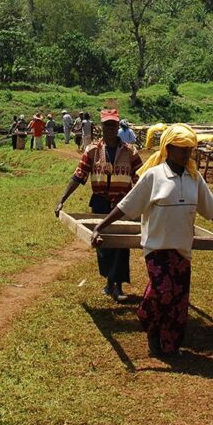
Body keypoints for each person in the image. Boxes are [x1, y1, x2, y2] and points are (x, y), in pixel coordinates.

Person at [89, 124, 213, 357]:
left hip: (182, 249)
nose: (186, 153)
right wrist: (100, 226)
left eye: (189, 149)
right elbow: (127, 205)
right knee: (163, 292)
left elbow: (211, 209)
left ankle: (169, 346)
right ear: (168, 148)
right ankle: (147, 321)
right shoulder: (153, 176)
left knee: (178, 303)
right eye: (181, 149)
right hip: (157, 248)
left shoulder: (193, 178)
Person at [55, 109, 143, 303]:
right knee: (103, 243)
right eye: (107, 125)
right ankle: (109, 281)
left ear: (118, 127)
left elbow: (143, 178)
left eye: (113, 125)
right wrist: (62, 199)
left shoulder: (130, 151)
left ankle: (118, 286)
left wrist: (147, 201)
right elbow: (79, 176)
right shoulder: (92, 150)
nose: (110, 129)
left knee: (121, 244)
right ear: (101, 127)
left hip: (122, 203)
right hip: (100, 201)